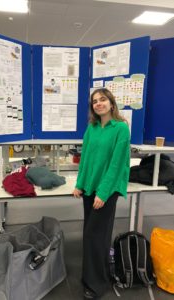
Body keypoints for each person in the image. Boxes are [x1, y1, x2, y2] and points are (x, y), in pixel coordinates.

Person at [73, 88, 130, 300]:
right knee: (95, 234)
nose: (98, 104)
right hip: (90, 188)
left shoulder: (121, 129)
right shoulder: (92, 128)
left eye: (102, 100)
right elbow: (85, 158)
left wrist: (103, 194)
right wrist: (80, 184)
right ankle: (95, 276)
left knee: (94, 236)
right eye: (95, 101)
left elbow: (116, 165)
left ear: (111, 103)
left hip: (107, 189)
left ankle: (96, 285)